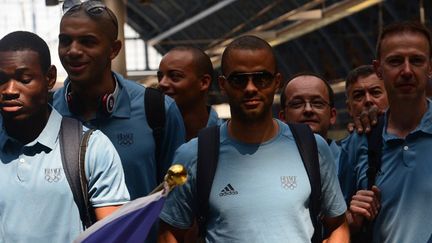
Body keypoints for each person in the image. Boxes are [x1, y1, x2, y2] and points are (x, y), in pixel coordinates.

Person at [158, 35, 349, 242]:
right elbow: (169, 231)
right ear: (223, 84)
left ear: (276, 82)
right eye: (239, 79)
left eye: (261, 78)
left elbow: (337, 224)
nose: (250, 88)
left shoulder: (312, 147)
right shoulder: (194, 154)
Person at [0, 31, 129, 242]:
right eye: (1, 80)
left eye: (24, 79)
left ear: (49, 78)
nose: (10, 90)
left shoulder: (90, 148)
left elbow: (115, 237)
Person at [53, 1, 185, 200]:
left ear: (114, 49)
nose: (73, 51)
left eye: (87, 42)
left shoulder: (157, 110)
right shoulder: (47, 112)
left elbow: (177, 196)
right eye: (65, 41)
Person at [340, 21, 432, 242]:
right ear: (378, 69)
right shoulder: (361, 140)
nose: (407, 70)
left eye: (417, 60)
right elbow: (334, 224)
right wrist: (351, 219)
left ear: (430, 67)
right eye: (395, 61)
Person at [157, 46, 221, 141]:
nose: (162, 83)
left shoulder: (226, 139)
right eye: (160, 77)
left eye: (175, 76)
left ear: (203, 82)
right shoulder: (151, 138)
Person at [279, 73, 340, 159]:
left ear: (332, 115)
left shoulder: (352, 161)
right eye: (297, 104)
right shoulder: (269, 164)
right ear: (283, 118)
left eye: (317, 103)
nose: (308, 109)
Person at [345, 65, 389, 134]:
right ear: (349, 108)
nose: (368, 100)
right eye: (358, 96)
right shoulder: (346, 144)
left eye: (376, 92)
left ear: (390, 98)